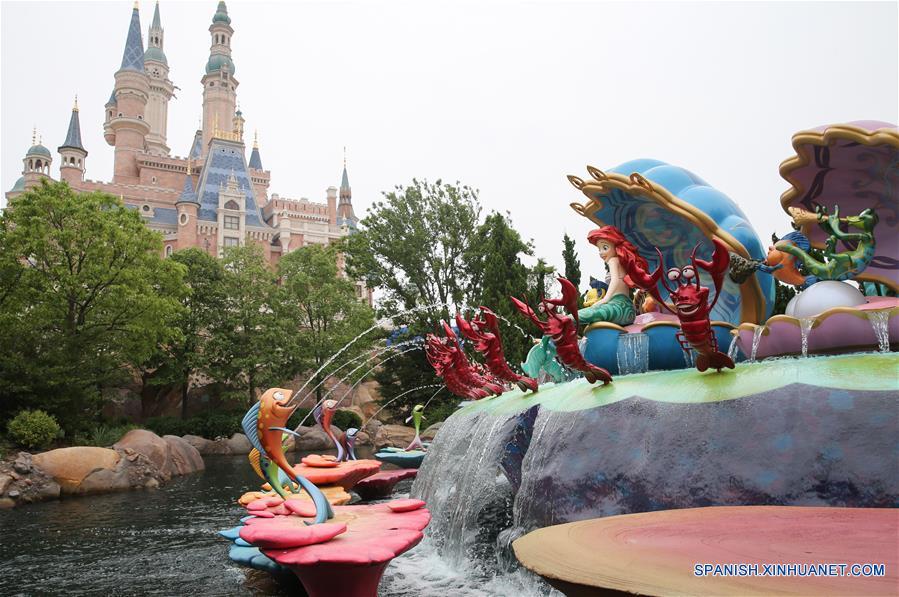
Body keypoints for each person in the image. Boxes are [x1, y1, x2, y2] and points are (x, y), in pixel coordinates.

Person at [579, 226, 646, 326]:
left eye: (605, 248)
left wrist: (605, 299)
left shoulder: (613, 260)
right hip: (629, 310)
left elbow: (615, 280)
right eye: (599, 249)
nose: (601, 253)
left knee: (576, 316)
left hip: (619, 307)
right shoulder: (622, 263)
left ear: (616, 247)